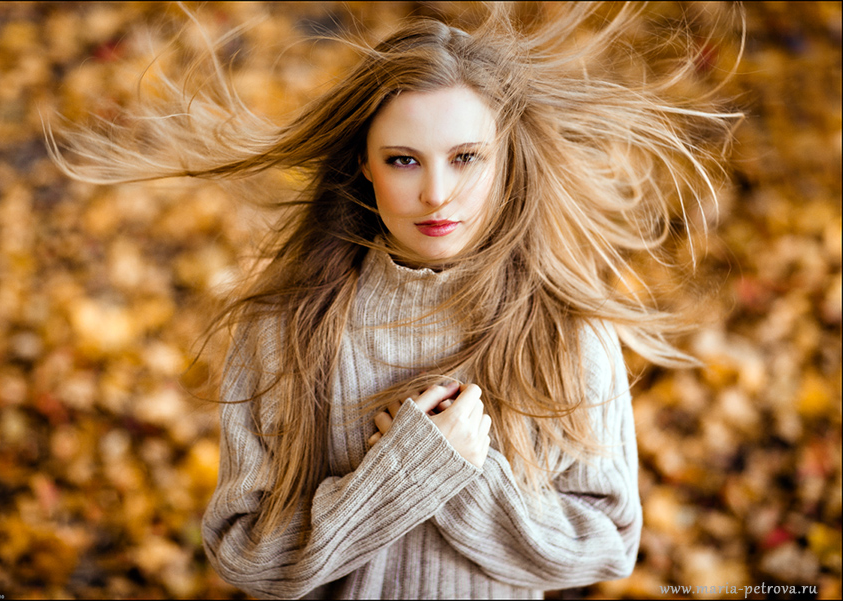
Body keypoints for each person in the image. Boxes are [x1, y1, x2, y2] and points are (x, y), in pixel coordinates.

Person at [48, 3, 741, 598]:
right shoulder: (283, 328)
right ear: (364, 165)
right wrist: (404, 472)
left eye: (466, 157)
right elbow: (244, 555)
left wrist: (463, 477)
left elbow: (608, 544)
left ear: (507, 163)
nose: (437, 193)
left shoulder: (567, 329)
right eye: (404, 159)